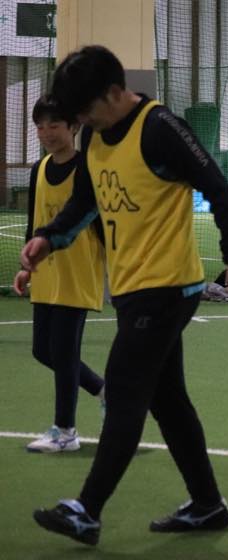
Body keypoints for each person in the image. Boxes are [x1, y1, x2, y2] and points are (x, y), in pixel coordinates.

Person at [21, 45, 228, 546]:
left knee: (125, 392)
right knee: (168, 402)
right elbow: (86, 200)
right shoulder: (96, 135)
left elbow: (218, 188)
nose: (82, 121)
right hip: (130, 288)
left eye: (86, 110)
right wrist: (48, 238)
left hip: (167, 287)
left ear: (114, 92)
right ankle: (208, 504)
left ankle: (87, 510)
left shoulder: (160, 128)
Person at [13, 95, 106, 454]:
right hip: (46, 271)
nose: (46, 132)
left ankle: (65, 431)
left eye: (54, 125)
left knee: (64, 351)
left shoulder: (88, 168)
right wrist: (26, 267)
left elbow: (101, 224)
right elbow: (34, 222)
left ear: (74, 127)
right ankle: (104, 390)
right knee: (43, 350)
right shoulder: (39, 169)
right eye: (40, 126)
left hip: (78, 271)